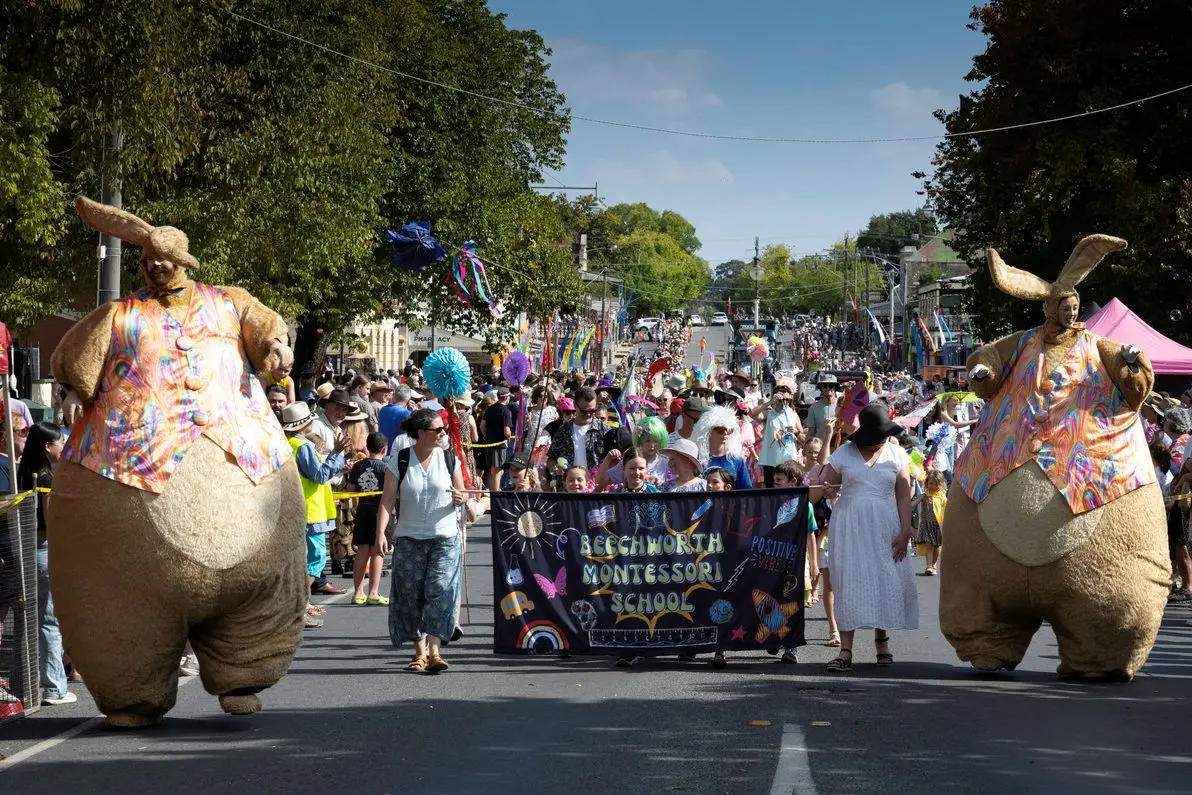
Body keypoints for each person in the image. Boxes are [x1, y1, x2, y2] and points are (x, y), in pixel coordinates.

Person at [819, 403, 918, 672]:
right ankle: (845, 650)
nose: (882, 439)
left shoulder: (897, 454)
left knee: (883, 578)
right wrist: (828, 490)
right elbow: (827, 484)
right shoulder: (844, 453)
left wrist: (905, 529)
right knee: (849, 580)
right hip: (849, 524)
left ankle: (881, 642)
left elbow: (903, 495)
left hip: (886, 523)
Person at [376, 409, 467, 674]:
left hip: (445, 535)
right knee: (411, 594)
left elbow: (460, 492)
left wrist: (461, 499)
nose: (443, 434)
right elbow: (387, 501)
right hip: (409, 536)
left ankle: (435, 650)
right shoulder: (400, 460)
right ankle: (419, 651)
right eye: (437, 430)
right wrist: (381, 533)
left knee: (440, 588)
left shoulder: (450, 459)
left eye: (444, 429)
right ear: (420, 433)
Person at [17, 422, 74, 705]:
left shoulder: (24, 473)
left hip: (26, 547)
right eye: (60, 442)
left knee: (31, 619)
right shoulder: (46, 478)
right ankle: (54, 687)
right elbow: (51, 522)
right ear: (47, 447)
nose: (63, 446)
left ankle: (27, 684)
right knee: (49, 620)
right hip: (43, 548)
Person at [346, 432, 390, 606]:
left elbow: (350, 489)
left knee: (362, 551)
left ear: (367, 447)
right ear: (384, 449)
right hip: (381, 512)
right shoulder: (386, 467)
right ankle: (373, 592)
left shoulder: (358, 466)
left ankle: (358, 593)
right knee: (378, 551)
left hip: (363, 509)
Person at [753, 378, 803, 487]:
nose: (784, 403)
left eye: (787, 400)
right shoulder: (769, 413)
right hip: (771, 462)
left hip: (789, 462)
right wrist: (769, 402)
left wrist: (797, 432)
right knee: (772, 493)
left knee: (789, 490)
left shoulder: (793, 414)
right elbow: (752, 414)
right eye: (781, 400)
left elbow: (804, 439)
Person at [693, 406, 753, 489]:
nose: (725, 433)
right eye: (721, 430)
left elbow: (746, 490)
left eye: (729, 430)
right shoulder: (697, 460)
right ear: (708, 432)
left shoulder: (736, 460)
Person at [911, 466, 947, 575]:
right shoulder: (924, 496)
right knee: (929, 546)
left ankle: (934, 564)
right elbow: (914, 502)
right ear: (927, 483)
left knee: (937, 547)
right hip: (926, 525)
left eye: (936, 484)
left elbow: (947, 509)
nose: (933, 486)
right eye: (931, 483)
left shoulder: (942, 497)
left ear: (940, 485)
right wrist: (906, 506)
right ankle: (929, 566)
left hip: (938, 525)